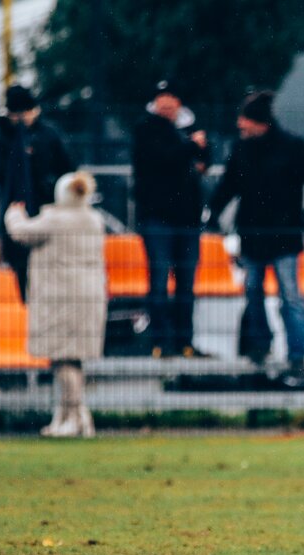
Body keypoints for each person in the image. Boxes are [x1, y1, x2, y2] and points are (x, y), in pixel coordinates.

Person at [207, 91, 304, 371]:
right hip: (252, 235)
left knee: (290, 297)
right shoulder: (241, 149)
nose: (240, 125)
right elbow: (228, 185)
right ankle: (260, 346)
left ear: (260, 122)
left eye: (245, 119)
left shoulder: (292, 147)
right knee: (253, 292)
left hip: (284, 236)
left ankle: (296, 355)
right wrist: (212, 213)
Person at [5, 171, 106, 437]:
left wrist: (14, 213)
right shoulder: (94, 220)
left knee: (62, 359)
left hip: (61, 296)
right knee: (73, 358)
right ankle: (70, 416)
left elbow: (21, 232)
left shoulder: (55, 219)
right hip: (89, 297)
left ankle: (74, 417)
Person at [132, 80, 211, 358]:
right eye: (161, 97)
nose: (166, 102)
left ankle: (184, 341)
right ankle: (161, 341)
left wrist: (200, 150)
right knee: (159, 279)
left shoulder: (188, 127)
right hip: (157, 218)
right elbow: (161, 160)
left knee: (186, 283)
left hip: (187, 219)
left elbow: (203, 160)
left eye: (171, 97)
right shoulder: (145, 130)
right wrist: (191, 147)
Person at [0, 84, 74, 300]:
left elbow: (67, 168)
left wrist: (46, 181)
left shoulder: (48, 135)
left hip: (46, 210)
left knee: (47, 268)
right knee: (20, 266)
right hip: (17, 210)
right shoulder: (1, 138)